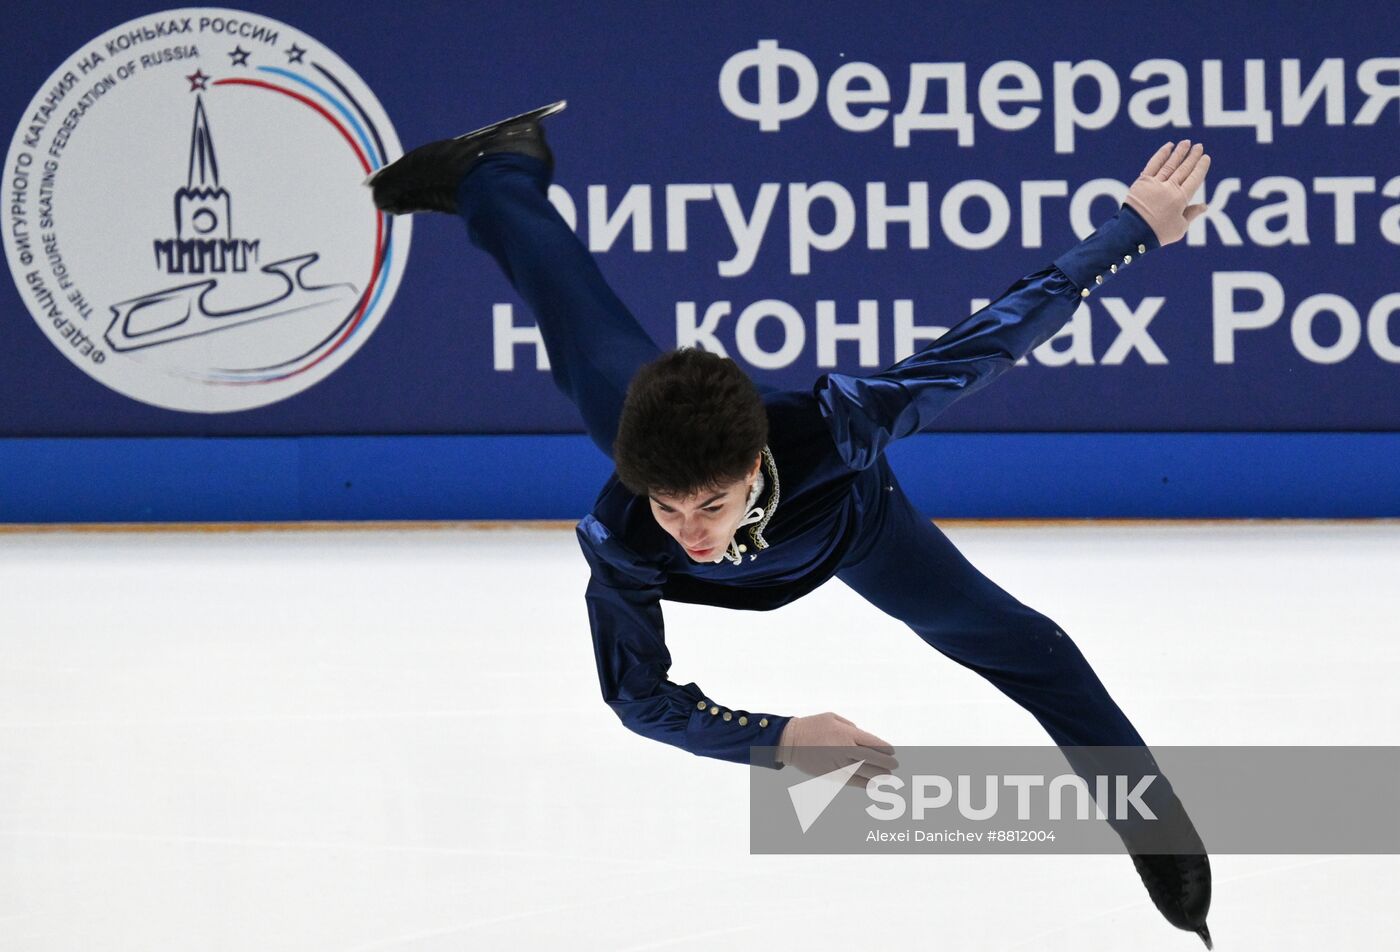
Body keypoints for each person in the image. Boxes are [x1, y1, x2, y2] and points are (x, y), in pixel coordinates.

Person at [367, 101, 1215, 948]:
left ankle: (1158, 833)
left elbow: (988, 340)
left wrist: (1134, 227)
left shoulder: (833, 433)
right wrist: (776, 742)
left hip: (855, 527)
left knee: (1029, 646)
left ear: (748, 470)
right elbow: (637, 698)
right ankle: (496, 168)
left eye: (708, 504)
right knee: (572, 315)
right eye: (668, 506)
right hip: (657, 427)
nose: (690, 534)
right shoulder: (628, 530)